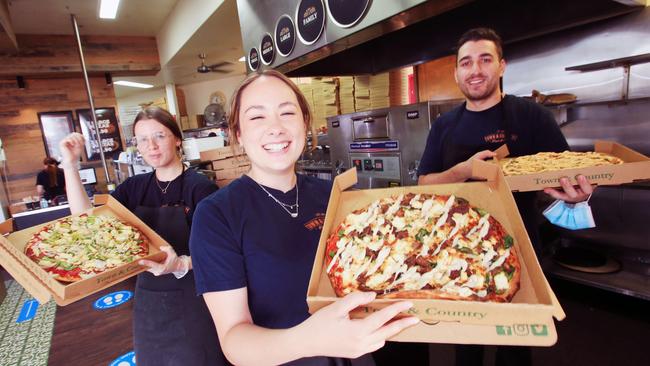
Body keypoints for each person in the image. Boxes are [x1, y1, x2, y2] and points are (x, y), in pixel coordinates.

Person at [189, 70, 419, 366]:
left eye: (287, 113)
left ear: (304, 123)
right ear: (238, 134)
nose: (275, 128)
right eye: (257, 117)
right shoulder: (217, 215)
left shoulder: (333, 195)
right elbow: (234, 339)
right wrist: (308, 340)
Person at [417, 28, 594, 366]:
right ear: (456, 73)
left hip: (520, 251)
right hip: (457, 257)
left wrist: (578, 196)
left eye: (485, 59)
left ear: (502, 66)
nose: (475, 70)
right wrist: (464, 170)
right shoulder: (444, 126)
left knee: (515, 352)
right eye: (466, 62)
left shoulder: (532, 118)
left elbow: (570, 172)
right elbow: (425, 182)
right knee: (466, 348)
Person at [58, 107, 228, 366]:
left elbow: (221, 252)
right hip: (149, 301)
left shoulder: (201, 188)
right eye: (142, 139)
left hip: (195, 300)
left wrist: (182, 264)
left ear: (177, 139)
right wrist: (70, 166)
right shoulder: (133, 189)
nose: (152, 146)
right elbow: (88, 223)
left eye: (160, 136)